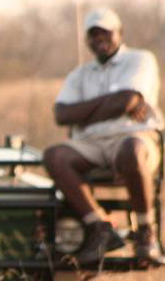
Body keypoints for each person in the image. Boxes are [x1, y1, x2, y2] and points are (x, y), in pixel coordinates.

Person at [43, 7, 164, 265]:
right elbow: (62, 114)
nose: (100, 39)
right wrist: (114, 103)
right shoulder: (80, 74)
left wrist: (85, 111)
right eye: (94, 34)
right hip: (92, 143)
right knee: (55, 155)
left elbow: (128, 99)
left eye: (106, 33)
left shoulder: (140, 60)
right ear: (88, 39)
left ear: (119, 33)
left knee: (131, 151)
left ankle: (146, 232)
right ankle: (99, 226)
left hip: (134, 136)